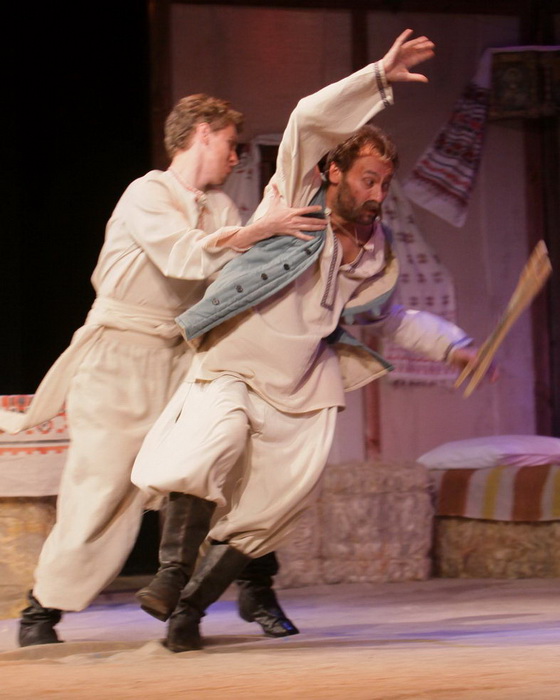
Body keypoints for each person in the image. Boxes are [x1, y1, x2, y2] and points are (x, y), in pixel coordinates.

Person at [131, 29, 485, 653]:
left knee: (276, 504)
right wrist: (378, 77)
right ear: (334, 171)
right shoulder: (295, 196)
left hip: (300, 387)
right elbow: (307, 118)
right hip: (235, 364)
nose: (377, 195)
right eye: (367, 179)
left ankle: (190, 610)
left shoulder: (374, 251)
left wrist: (453, 345)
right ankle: (169, 574)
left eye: (384, 184)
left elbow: (391, 317)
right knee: (202, 450)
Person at [2, 92, 327, 647]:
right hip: (119, 359)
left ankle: (250, 587)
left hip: (182, 356)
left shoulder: (220, 208)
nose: (235, 157)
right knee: (101, 486)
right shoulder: (148, 192)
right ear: (202, 133)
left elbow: (230, 281)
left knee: (220, 467)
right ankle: (42, 608)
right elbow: (183, 255)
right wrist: (256, 232)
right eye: (230, 144)